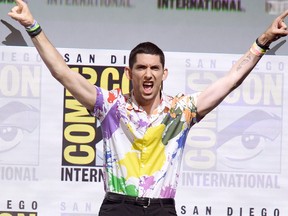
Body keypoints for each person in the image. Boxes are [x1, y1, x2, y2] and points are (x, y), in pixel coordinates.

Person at [8, 0, 288, 215]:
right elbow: (63, 73)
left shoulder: (181, 111)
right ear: (130, 73)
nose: (148, 74)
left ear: (164, 74)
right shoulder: (111, 106)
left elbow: (230, 81)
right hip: (118, 207)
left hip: (162, 208)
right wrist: (33, 26)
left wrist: (262, 42)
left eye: (155, 68)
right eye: (141, 68)